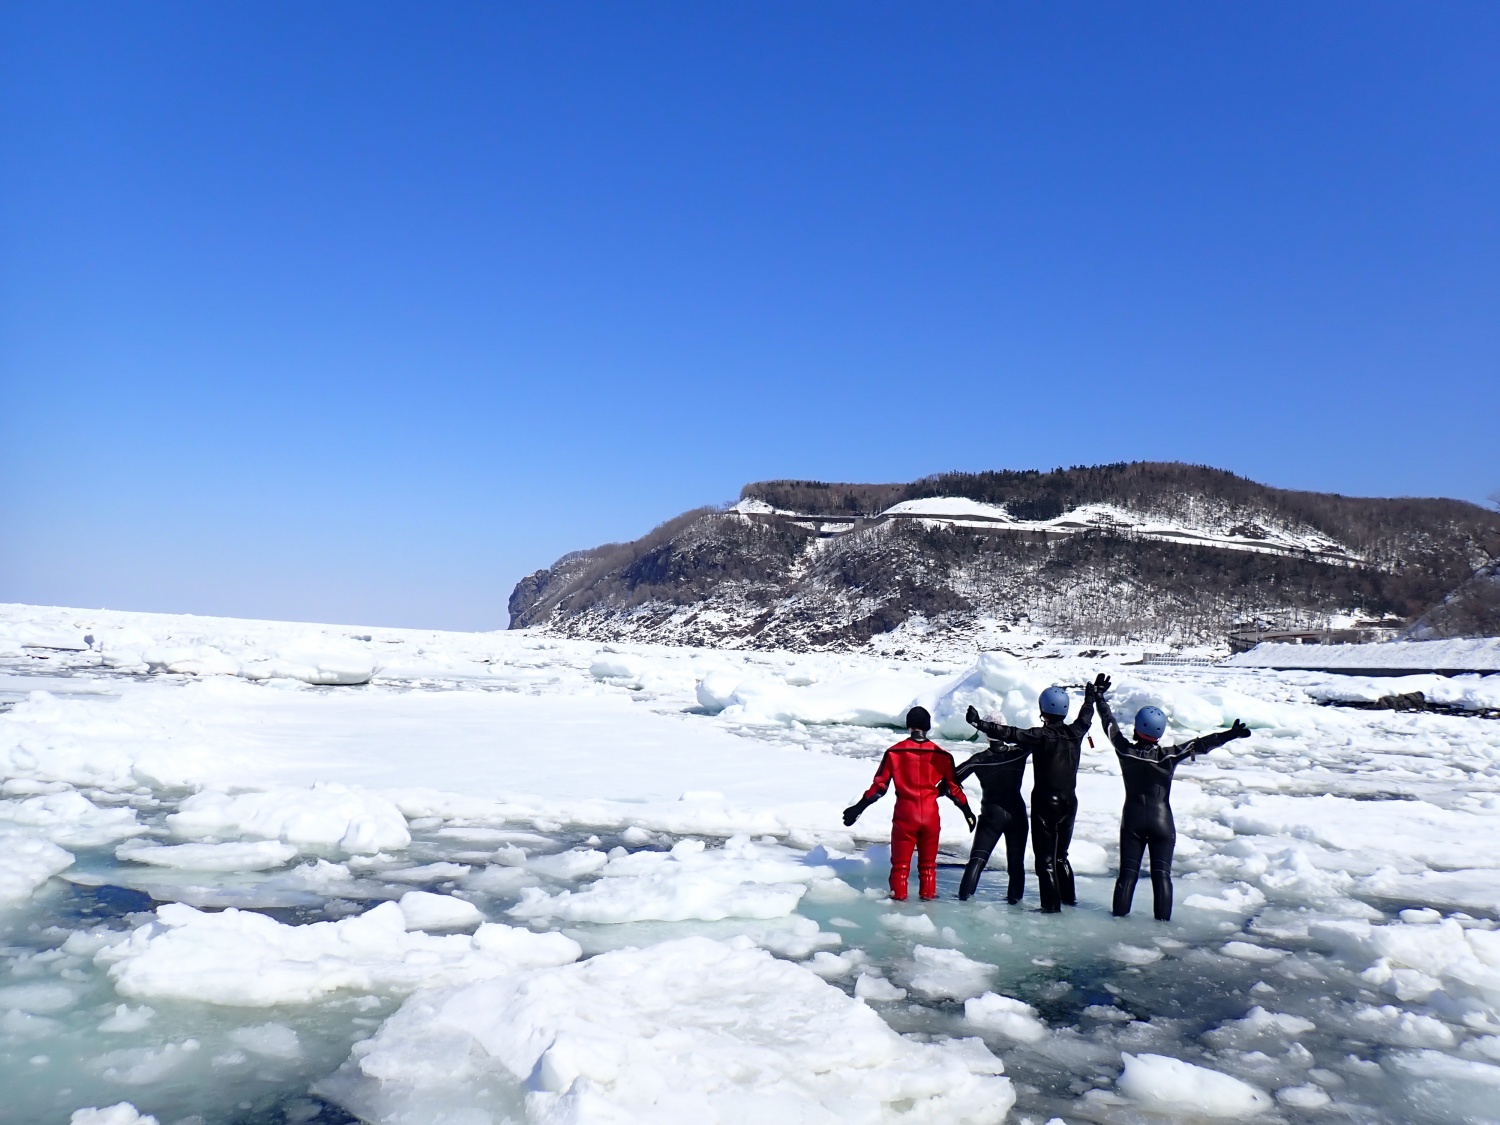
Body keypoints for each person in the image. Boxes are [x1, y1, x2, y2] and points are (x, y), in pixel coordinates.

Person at [1092, 674, 1251, 921]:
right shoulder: (1168, 755)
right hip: (1162, 822)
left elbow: (1109, 724)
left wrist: (1100, 698)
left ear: (1136, 728)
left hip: (1133, 819)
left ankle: (1118, 923)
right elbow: (1200, 745)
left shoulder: (1126, 750)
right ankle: (1163, 928)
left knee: (1127, 873)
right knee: (1161, 875)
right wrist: (1229, 734)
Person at [964, 680, 1098, 913]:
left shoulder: (1041, 735)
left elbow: (1010, 733)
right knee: (1061, 857)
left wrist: (979, 723)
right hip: (1069, 804)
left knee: (1045, 862)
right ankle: (1070, 903)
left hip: (1046, 805)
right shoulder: (1076, 731)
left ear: (1042, 709)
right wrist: (1090, 698)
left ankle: (1051, 909)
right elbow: (1086, 716)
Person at [843, 706, 976, 901]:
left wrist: (858, 808)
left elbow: (879, 788)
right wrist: (967, 812)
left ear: (909, 726)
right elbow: (953, 789)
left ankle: (898, 906)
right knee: (928, 867)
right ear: (928, 727)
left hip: (905, 815)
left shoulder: (894, 752)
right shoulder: (942, 755)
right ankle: (929, 908)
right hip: (930, 815)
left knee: (900, 867)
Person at [953, 719, 1030, 903]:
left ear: (986, 735)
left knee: (977, 860)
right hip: (1017, 813)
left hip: (991, 815)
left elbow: (951, 779)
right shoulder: (1019, 752)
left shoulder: (979, 759)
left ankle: (963, 902)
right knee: (1016, 863)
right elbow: (1035, 739)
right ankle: (1015, 908)